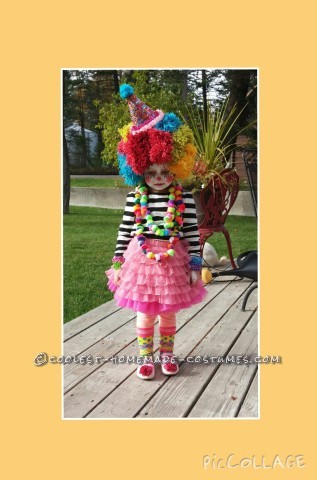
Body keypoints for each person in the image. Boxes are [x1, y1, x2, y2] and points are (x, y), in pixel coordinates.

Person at [105, 84, 207, 380]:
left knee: (168, 312)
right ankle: (145, 358)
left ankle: (168, 355)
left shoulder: (183, 198)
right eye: (151, 173)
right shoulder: (136, 198)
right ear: (139, 171)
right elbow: (125, 231)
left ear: (176, 168)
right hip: (141, 259)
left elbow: (190, 233)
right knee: (145, 312)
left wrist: (196, 265)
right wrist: (118, 263)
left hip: (174, 259)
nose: (159, 178)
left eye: (165, 172)